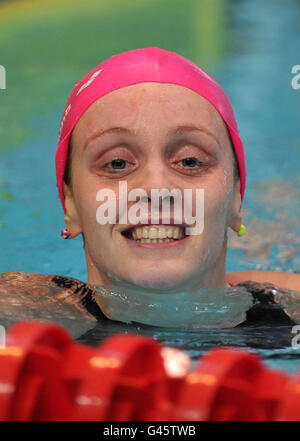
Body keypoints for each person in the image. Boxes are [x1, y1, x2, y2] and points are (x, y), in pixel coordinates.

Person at [0, 47, 299, 331]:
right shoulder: (23, 311)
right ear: (70, 203)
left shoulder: (288, 313)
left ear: (236, 198)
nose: (157, 188)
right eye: (117, 164)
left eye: (190, 161)